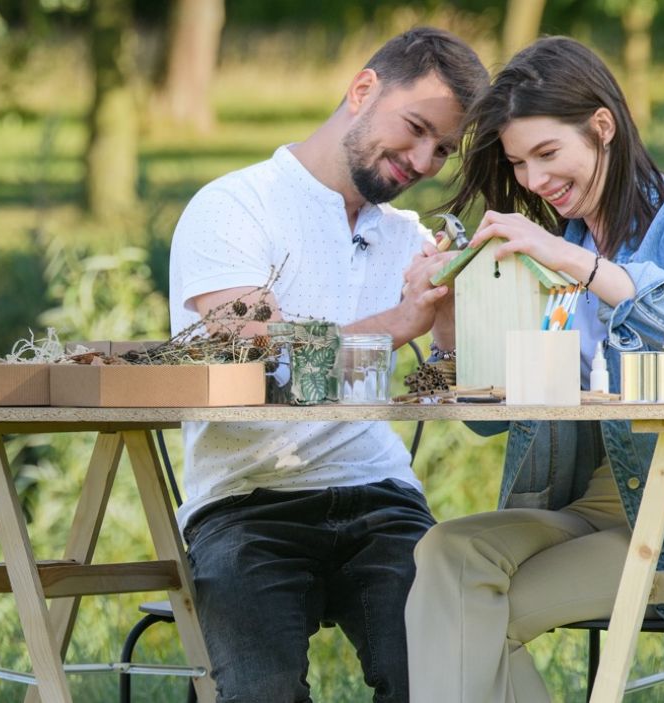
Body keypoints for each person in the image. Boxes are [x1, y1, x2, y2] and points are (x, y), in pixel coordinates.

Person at [403, 36, 664, 702]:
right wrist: (445, 330)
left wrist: (577, 264)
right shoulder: (562, 250)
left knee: (463, 615)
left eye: (547, 154)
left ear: (602, 126)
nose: (532, 181)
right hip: (592, 505)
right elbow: (488, 427)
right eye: (520, 163)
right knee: (446, 551)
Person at [167, 28, 488, 703]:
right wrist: (397, 324)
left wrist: (448, 324)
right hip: (247, 503)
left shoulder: (406, 238)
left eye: (442, 149)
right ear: (363, 89)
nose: (426, 160)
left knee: (444, 679)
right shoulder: (234, 207)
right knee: (262, 691)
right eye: (417, 128)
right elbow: (257, 360)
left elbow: (432, 399)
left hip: (382, 500)